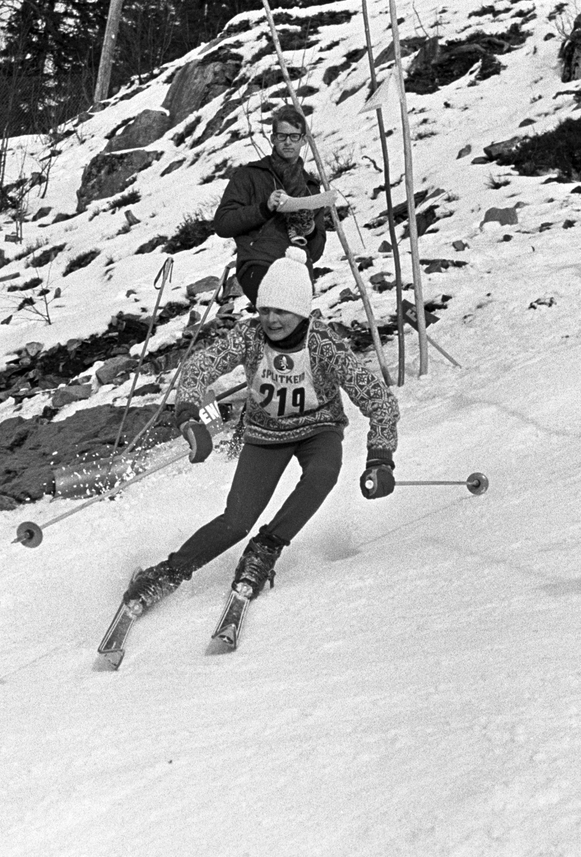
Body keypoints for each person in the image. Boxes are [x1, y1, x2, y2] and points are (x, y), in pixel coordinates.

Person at [121, 247, 399, 615]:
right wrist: (189, 416)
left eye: (281, 311)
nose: (271, 319)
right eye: (265, 310)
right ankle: (166, 574)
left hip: (319, 430)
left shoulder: (323, 344)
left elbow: (378, 399)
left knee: (323, 474)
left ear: (300, 310)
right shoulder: (249, 336)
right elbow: (200, 366)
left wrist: (380, 457)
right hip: (266, 435)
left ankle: (266, 548)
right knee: (236, 521)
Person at [213, 105, 328, 309]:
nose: (288, 142)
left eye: (294, 137)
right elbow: (223, 224)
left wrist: (309, 231)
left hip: (299, 269)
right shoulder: (250, 175)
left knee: (291, 332)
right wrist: (263, 209)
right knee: (279, 313)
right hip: (259, 262)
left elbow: (316, 252)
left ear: (304, 140)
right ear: (273, 139)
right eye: (282, 136)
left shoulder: (311, 188)